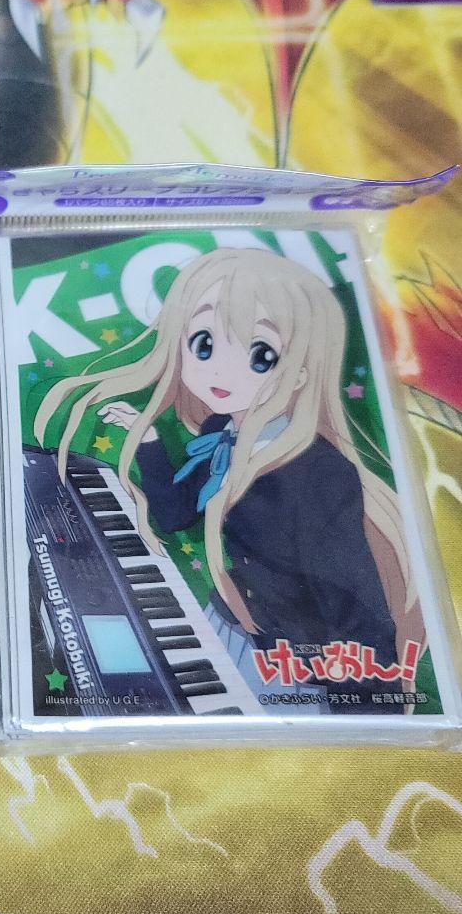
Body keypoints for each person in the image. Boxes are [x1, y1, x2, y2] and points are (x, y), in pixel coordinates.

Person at [33, 248, 424, 713]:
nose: (220, 370)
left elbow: (351, 598)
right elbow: (175, 515)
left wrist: (365, 711)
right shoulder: (222, 434)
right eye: (204, 344)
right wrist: (150, 441)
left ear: (301, 372)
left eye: (260, 355)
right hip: (232, 628)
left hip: (300, 669)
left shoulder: (319, 473)